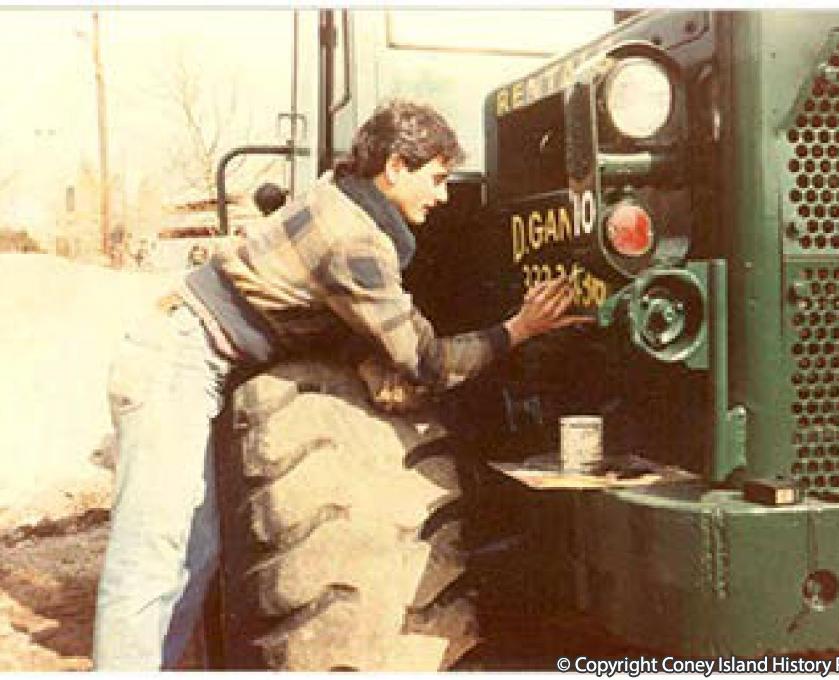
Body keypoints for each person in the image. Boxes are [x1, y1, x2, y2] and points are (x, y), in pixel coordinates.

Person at [92, 99, 587, 670]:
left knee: (193, 553)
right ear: (396, 167)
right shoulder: (355, 239)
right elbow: (424, 360)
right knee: (154, 555)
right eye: (437, 178)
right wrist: (518, 329)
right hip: (174, 361)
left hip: (192, 356)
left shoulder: (343, 192)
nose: (444, 195)